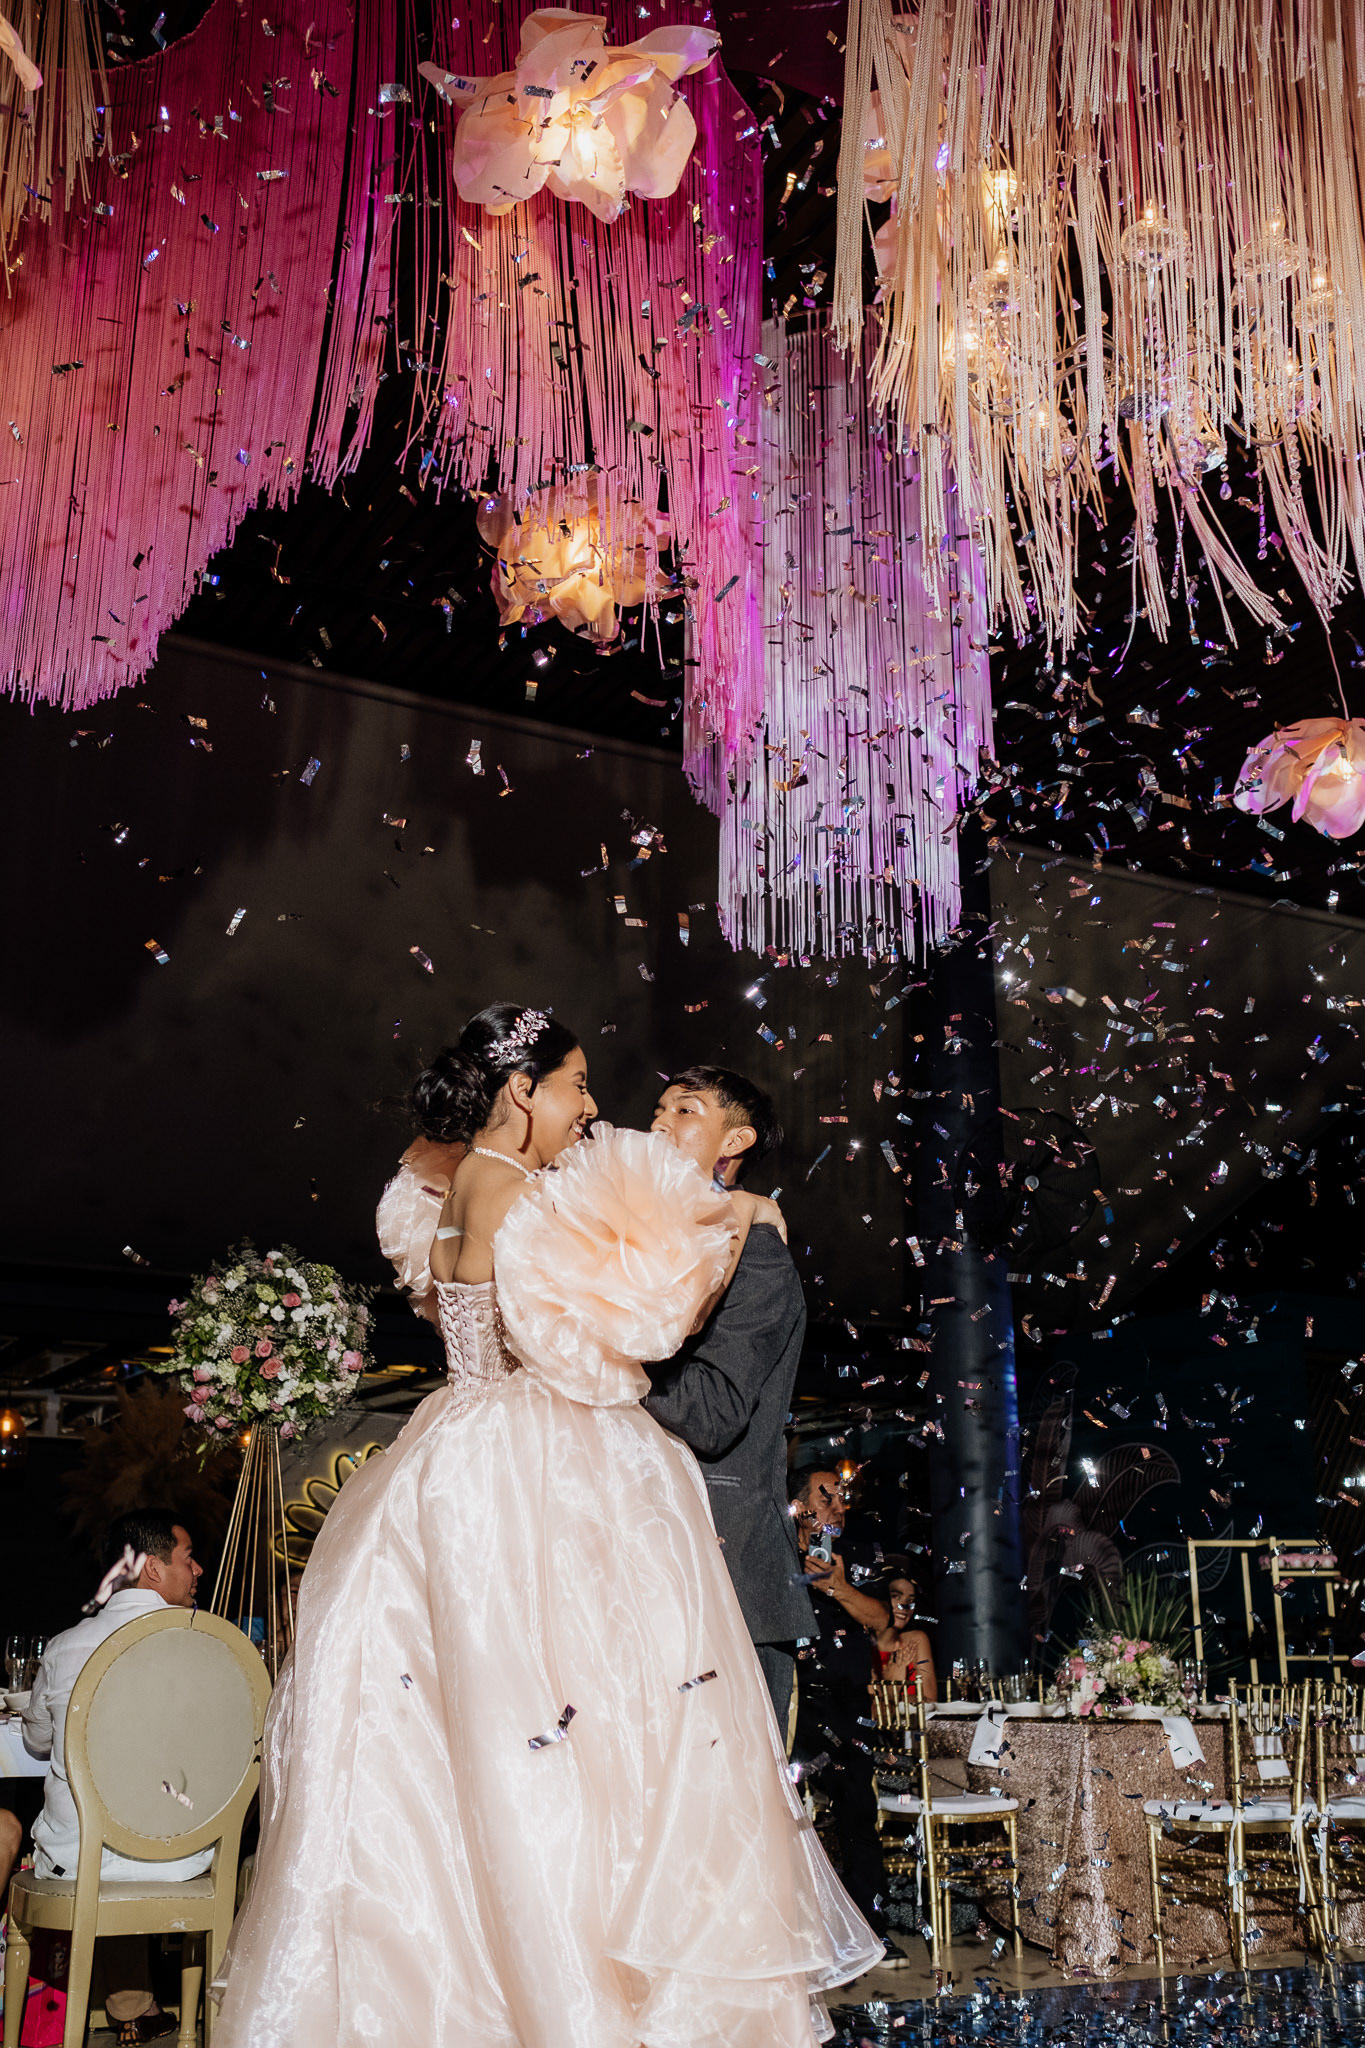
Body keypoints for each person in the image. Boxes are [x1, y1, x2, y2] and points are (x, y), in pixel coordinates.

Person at [212, 1003, 880, 2048]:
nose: (597, 1107)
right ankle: (576, 1991)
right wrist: (726, 1229)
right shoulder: (517, 1195)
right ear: (522, 1090)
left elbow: (451, 1242)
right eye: (575, 1084)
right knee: (572, 1735)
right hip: (532, 1461)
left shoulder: (454, 1188)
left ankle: (474, 1990)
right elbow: (615, 1331)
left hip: (454, 1454)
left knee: (475, 1733)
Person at [643, 1065, 814, 1736]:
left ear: (735, 1141)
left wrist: (603, 1350)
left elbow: (713, 1413)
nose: (659, 1121)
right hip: (648, 1561)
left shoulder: (758, 1256)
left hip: (727, 1569)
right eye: (658, 1108)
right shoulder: (652, 1245)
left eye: (684, 1110)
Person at [23, 1511, 206, 2046]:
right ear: (153, 1568)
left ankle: (117, 2007)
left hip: (77, 1858)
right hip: (175, 1859)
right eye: (188, 1557)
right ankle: (151, 2007)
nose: (199, 1569)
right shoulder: (203, 1643)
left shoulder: (64, 1647)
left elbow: (36, 1742)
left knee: (97, 1836)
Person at [788, 1467, 892, 1935]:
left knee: (857, 1810)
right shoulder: (776, 1555)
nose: (837, 1507)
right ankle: (797, 1929)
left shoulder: (860, 1555)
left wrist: (839, 1588)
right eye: (825, 1499)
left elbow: (881, 1620)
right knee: (785, 1813)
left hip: (848, 1706)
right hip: (793, 1704)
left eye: (841, 1498)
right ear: (799, 1508)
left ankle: (870, 1928)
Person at [874, 1557, 937, 1701]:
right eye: (896, 1596)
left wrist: (891, 1695)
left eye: (910, 1600)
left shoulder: (916, 1640)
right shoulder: (860, 1644)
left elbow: (930, 1703)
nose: (904, 1606)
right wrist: (893, 1691)